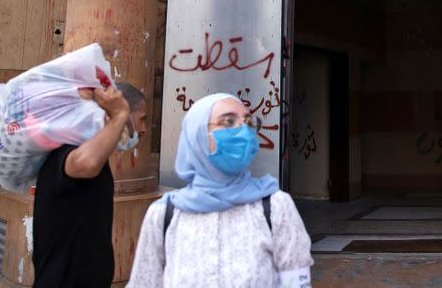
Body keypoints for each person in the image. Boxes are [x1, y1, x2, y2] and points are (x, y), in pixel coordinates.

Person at [127, 93, 313, 288]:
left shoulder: (276, 207)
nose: (242, 131)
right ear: (196, 135)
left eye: (249, 123)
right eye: (228, 121)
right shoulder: (165, 215)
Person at [33, 81, 147, 288]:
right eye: (142, 119)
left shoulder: (94, 160)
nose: (144, 129)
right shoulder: (66, 151)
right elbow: (86, 164)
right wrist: (120, 116)